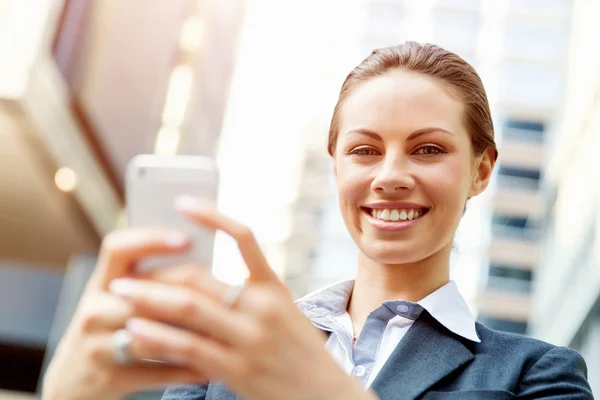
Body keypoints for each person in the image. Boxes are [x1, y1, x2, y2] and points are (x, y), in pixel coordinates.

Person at [42, 42, 593, 400]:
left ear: (481, 170)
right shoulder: (226, 357)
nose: (391, 175)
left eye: (428, 150)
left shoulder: (534, 377)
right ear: (335, 165)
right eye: (364, 150)